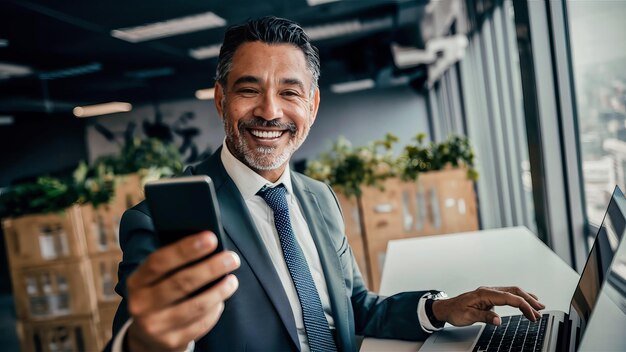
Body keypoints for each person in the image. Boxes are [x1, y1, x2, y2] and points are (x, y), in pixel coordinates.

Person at [108, 16, 545, 352]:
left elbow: (353, 306)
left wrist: (442, 309)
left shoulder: (318, 197)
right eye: (248, 90)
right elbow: (141, 332)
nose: (269, 111)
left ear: (312, 106)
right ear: (221, 100)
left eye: (290, 92)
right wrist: (147, 341)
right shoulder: (158, 221)